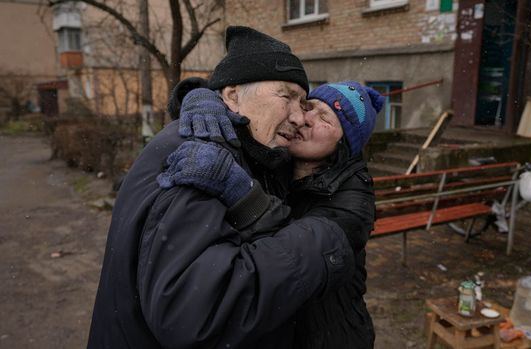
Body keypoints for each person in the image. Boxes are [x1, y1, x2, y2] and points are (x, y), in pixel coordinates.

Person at [87, 26, 355, 349]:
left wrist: (195, 92)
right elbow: (193, 311)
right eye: (286, 96)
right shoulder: (202, 156)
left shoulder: (255, 150)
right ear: (230, 96)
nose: (299, 117)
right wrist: (318, 244)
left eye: (303, 102)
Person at [158, 81, 385, 348]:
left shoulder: (354, 200)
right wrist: (203, 99)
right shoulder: (279, 160)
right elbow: (244, 99)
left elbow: (293, 250)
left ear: (342, 146)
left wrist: (242, 192)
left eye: (325, 118)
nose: (304, 119)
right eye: (309, 107)